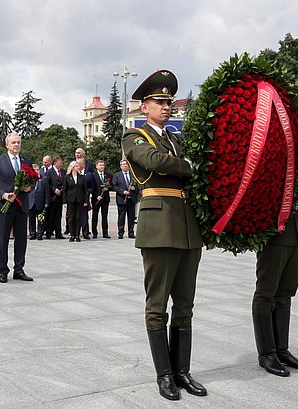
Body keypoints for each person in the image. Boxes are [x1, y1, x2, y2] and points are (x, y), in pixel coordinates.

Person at [122, 69, 206, 400]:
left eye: (169, 102)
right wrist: (186, 165)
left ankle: (182, 371)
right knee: (157, 305)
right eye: (159, 101)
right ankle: (164, 375)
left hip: (187, 228)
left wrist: (186, 162)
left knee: (185, 304)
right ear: (144, 107)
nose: (166, 106)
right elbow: (153, 161)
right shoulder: (135, 138)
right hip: (159, 228)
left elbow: (186, 162)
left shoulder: (177, 139)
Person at [252, 155, 298, 377]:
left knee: (285, 293)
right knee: (266, 292)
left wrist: (295, 181)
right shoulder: (268, 142)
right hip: (273, 228)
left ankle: (281, 350)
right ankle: (266, 353)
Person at [0, 132, 34, 283]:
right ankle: (3, 271)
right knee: (4, 240)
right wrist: (3, 195)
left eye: (18, 142)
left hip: (22, 206)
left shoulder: (26, 160)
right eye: (13, 142)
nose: (16, 145)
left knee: (21, 239)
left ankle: (19, 269)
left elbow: (32, 181)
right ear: (7, 144)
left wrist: (29, 187)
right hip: (5, 207)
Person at [62, 160, 88, 242]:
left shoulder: (82, 177)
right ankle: (72, 235)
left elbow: (85, 190)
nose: (77, 167)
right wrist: (64, 201)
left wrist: (86, 200)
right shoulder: (67, 177)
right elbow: (65, 190)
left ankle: (77, 235)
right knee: (71, 218)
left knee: (78, 217)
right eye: (76, 166)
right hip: (70, 200)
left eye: (78, 166)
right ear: (72, 167)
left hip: (79, 199)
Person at [112, 160, 138, 239]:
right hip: (122, 199)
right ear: (121, 166)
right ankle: (120, 233)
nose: (125, 166)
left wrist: (134, 188)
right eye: (123, 164)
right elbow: (114, 186)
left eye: (126, 164)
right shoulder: (117, 175)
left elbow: (139, 186)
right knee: (121, 216)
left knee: (131, 217)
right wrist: (122, 191)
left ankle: (131, 232)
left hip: (131, 199)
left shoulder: (133, 175)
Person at [45, 156, 66, 239]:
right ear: (55, 162)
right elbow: (47, 184)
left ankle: (58, 233)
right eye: (60, 162)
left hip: (60, 198)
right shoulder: (49, 172)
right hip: (52, 197)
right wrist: (54, 190)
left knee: (58, 215)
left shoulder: (63, 172)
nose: (61, 164)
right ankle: (49, 232)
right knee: (50, 215)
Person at [91, 160, 112, 239]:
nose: (102, 167)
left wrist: (108, 187)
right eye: (100, 165)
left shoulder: (108, 175)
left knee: (104, 216)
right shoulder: (93, 175)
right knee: (95, 216)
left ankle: (105, 232)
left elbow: (111, 185)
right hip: (96, 199)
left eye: (103, 165)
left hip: (105, 198)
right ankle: (94, 232)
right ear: (96, 166)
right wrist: (96, 196)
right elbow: (92, 188)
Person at [29, 164, 50, 240]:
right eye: (34, 170)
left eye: (37, 170)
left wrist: (47, 202)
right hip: (31, 202)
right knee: (31, 219)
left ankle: (40, 233)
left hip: (40, 201)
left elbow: (47, 192)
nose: (36, 171)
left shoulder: (44, 179)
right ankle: (32, 233)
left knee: (41, 219)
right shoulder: (29, 179)